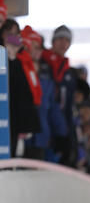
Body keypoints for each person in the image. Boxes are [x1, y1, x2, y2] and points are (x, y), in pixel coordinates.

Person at [21, 25, 67, 161]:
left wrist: (61, 134)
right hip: (23, 137)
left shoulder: (46, 75)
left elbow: (53, 108)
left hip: (42, 137)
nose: (36, 51)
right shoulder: (17, 70)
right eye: (32, 46)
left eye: (38, 47)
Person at [0, 19, 41, 156]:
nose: (12, 37)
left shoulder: (20, 60)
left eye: (15, 33)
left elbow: (24, 93)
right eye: (8, 33)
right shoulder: (4, 58)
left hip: (15, 122)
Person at [42, 25, 77, 166]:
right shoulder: (43, 63)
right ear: (53, 41)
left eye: (67, 40)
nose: (63, 43)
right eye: (60, 39)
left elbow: (68, 105)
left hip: (61, 124)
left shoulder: (68, 70)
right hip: (46, 123)